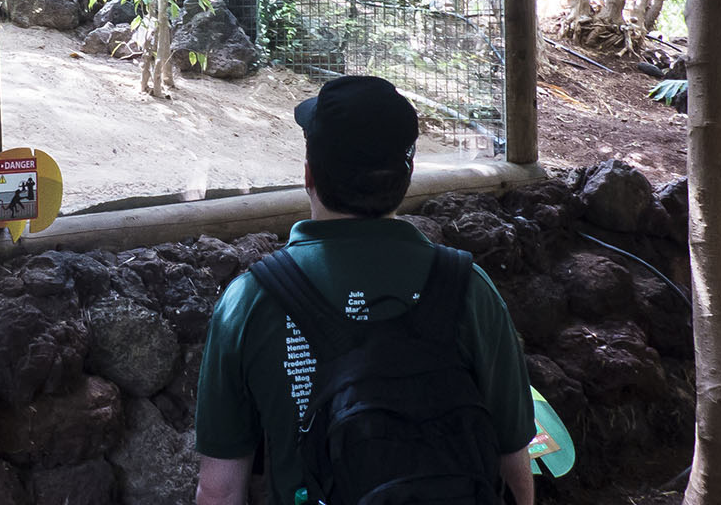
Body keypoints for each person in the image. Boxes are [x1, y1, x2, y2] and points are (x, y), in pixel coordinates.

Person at [193, 75, 536, 505]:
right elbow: (513, 468)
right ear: (407, 174)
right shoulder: (469, 288)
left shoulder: (249, 301)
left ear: (308, 174)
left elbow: (220, 491)